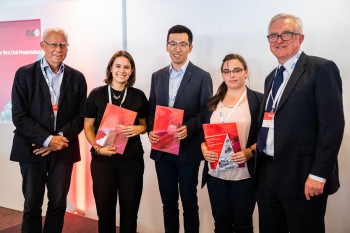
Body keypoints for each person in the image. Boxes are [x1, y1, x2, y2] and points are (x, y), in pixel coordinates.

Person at [255, 13, 345, 233]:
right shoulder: (270, 78)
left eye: (286, 34)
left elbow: (332, 127)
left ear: (300, 38)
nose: (278, 40)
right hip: (267, 172)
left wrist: (318, 174)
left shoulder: (321, 69)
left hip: (303, 174)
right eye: (273, 36)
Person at [10, 27, 87, 233]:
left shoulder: (77, 78)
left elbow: (81, 116)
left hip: (64, 149)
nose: (58, 49)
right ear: (42, 46)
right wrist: (46, 140)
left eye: (63, 45)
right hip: (32, 148)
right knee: (32, 204)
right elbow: (19, 115)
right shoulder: (24, 74)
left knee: (58, 204)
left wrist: (58, 140)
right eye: (53, 44)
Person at [148, 25, 213, 233]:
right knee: (168, 204)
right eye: (173, 43)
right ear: (166, 46)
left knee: (189, 204)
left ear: (190, 47)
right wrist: (150, 129)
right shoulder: (157, 76)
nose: (177, 48)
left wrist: (189, 127)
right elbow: (152, 109)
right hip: (162, 151)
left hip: (188, 151)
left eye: (183, 44)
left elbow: (206, 113)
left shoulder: (202, 76)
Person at [82, 50, 148, 233]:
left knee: (130, 213)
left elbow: (145, 125)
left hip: (131, 161)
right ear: (110, 68)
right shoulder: (96, 95)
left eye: (126, 67)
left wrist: (138, 129)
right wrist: (97, 148)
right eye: (118, 66)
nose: (122, 70)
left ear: (132, 71)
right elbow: (88, 127)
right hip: (103, 161)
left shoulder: (138, 96)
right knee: (105, 213)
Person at [201, 54, 262, 233]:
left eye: (237, 70)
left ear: (246, 72)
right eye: (227, 71)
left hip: (244, 176)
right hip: (216, 175)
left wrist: (250, 151)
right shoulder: (213, 102)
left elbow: (267, 138)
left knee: (243, 225)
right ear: (222, 75)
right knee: (221, 224)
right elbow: (203, 136)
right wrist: (204, 149)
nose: (232, 75)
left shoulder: (259, 100)